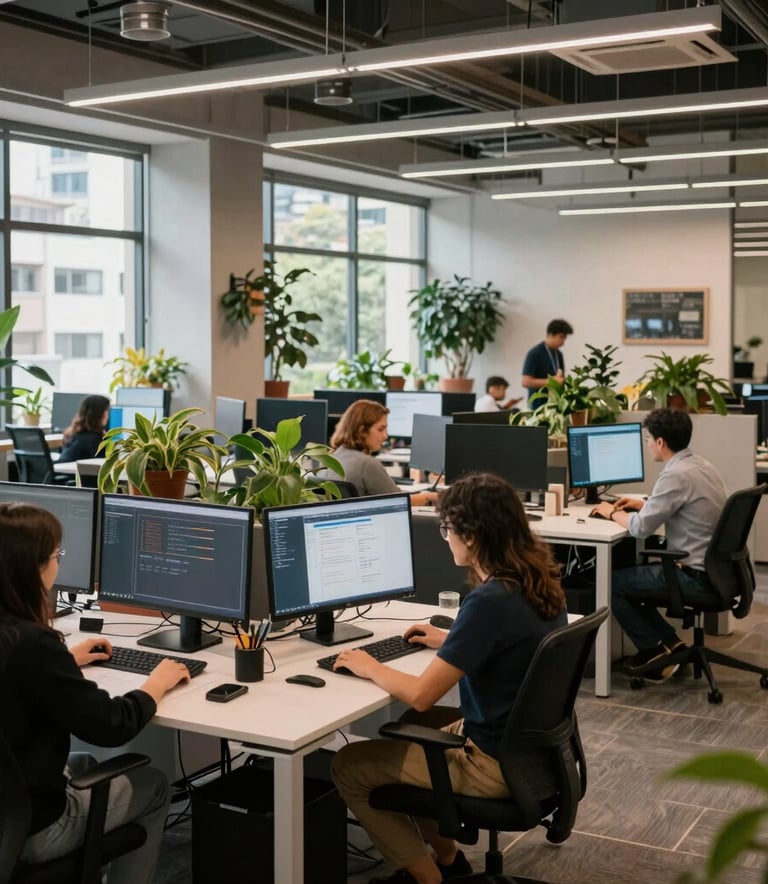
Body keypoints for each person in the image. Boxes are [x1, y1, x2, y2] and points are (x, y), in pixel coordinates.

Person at [331, 472, 567, 884]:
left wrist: (368, 664)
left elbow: (422, 694)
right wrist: (450, 639)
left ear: (471, 536)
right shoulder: (537, 578)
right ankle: (447, 857)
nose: (446, 538)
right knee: (412, 729)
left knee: (349, 765)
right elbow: (508, 643)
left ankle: (427, 878)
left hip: (492, 762)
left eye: (447, 528)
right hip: (533, 751)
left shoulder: (489, 602)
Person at [0, 502, 191, 883]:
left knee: (85, 763)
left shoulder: (18, 639)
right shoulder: (34, 644)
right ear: (31, 567)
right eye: (56, 555)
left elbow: (21, 677)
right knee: (153, 785)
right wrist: (155, 684)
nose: (59, 563)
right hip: (30, 829)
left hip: (10, 806)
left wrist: (65, 661)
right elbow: (111, 725)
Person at [591, 408, 727, 683]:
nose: (648, 444)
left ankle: (654, 649)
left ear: (661, 442)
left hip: (694, 576)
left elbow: (640, 527)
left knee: (609, 583)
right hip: (719, 573)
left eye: (649, 439)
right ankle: (669, 643)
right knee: (627, 577)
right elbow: (681, 504)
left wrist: (610, 512)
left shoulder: (675, 475)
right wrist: (644, 505)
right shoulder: (700, 465)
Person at [316, 399, 438, 506]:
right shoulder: (367, 464)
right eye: (380, 429)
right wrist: (427, 496)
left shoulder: (332, 458)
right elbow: (399, 502)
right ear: (362, 431)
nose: (386, 436)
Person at [521, 318, 573, 405]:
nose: (563, 342)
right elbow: (525, 382)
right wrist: (551, 382)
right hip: (538, 404)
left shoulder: (558, 354)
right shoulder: (535, 353)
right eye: (561, 337)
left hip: (555, 403)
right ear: (551, 334)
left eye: (565, 338)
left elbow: (560, 378)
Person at [57, 394, 111, 463]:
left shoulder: (74, 435)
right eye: (107, 410)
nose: (108, 415)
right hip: (78, 473)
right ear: (102, 414)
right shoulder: (95, 440)